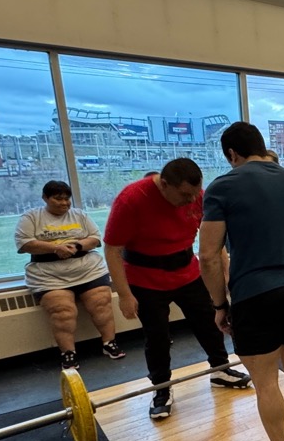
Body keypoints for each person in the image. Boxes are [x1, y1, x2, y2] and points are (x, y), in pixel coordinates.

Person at [200, 122, 284, 441]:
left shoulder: (223, 186)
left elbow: (208, 257)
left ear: (231, 154)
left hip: (254, 295)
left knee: (266, 380)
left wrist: (220, 305)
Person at [104, 159, 251, 420]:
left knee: (211, 322)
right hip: (145, 279)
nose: (191, 200)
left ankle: (220, 370)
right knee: (157, 336)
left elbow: (213, 240)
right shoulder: (131, 199)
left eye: (195, 193)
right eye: (185, 194)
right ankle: (161, 389)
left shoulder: (197, 197)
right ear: (164, 184)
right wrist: (124, 295)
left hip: (186, 271)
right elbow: (112, 250)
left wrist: (226, 271)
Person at [15, 180, 125, 369]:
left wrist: (77, 246)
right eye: (58, 199)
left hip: (88, 270)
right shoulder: (31, 217)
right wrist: (55, 248)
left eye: (67, 199)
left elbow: (95, 238)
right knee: (63, 312)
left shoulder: (79, 215)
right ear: (45, 198)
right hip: (49, 276)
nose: (64, 203)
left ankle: (109, 343)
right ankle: (68, 353)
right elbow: (25, 244)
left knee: (101, 304)